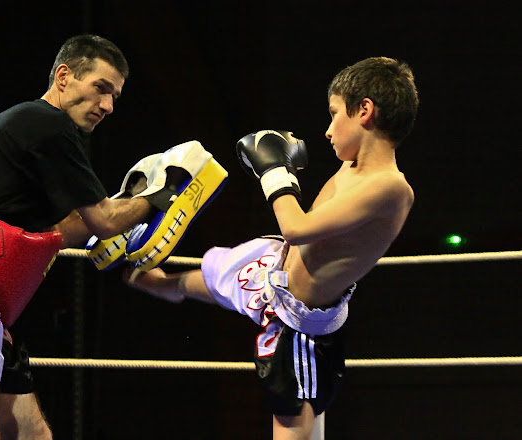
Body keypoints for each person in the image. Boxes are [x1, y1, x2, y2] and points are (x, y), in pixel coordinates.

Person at [125, 57, 419, 440]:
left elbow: (297, 227)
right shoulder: (352, 167)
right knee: (191, 280)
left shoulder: (390, 188)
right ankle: (143, 269)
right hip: (271, 272)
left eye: (334, 115)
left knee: (289, 425)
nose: (328, 131)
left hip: (299, 323)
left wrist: (275, 173)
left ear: (364, 111)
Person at [0, 34, 168, 440]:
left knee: (33, 436)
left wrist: (130, 205)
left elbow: (58, 233)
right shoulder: (46, 124)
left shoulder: (40, 135)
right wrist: (162, 197)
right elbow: (103, 221)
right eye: (100, 88)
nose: (107, 106)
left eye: (115, 96)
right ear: (64, 76)